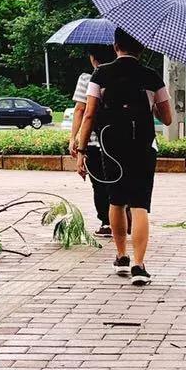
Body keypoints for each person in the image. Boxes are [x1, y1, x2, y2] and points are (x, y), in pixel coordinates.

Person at [75, 28, 171, 286]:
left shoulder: (101, 74)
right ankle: (139, 265)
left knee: (116, 201)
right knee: (140, 205)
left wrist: (81, 150)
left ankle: (121, 257)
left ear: (116, 46)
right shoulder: (151, 76)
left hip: (110, 146)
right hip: (143, 146)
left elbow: (89, 114)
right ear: (142, 47)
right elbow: (168, 118)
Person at [70, 45, 113, 236]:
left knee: (99, 184)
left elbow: (81, 110)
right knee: (119, 181)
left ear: (93, 58)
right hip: (119, 138)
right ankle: (123, 216)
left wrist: (75, 139)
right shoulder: (123, 77)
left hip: (94, 140)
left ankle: (106, 222)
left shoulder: (87, 79)